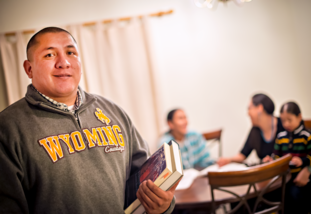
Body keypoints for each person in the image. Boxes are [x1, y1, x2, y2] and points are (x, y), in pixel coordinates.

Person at [0, 27, 177, 213]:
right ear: (29, 68)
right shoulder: (8, 128)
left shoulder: (114, 112)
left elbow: (142, 181)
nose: (64, 62)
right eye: (50, 55)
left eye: (71, 52)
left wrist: (163, 205)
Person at [263, 102, 311, 213]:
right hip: (284, 179)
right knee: (271, 195)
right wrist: (271, 160)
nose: (286, 124)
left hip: (301, 179)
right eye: (283, 121)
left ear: (299, 117)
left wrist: (303, 161)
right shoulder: (281, 137)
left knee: (293, 196)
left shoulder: (306, 136)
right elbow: (276, 156)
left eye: (289, 120)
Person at [217, 93, 285, 167]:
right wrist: (228, 160)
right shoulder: (255, 131)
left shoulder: (284, 126)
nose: (248, 113)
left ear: (259, 108)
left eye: (249, 108)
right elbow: (242, 155)